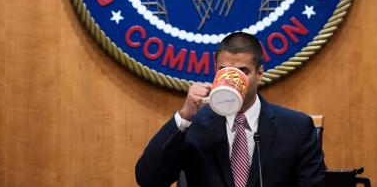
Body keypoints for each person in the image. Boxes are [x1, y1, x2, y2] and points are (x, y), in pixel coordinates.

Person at [135, 31, 326, 187]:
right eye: (225, 71)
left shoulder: (297, 128)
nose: (234, 80)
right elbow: (148, 179)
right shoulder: (194, 126)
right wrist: (184, 116)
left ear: (260, 73)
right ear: (216, 70)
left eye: (243, 72)